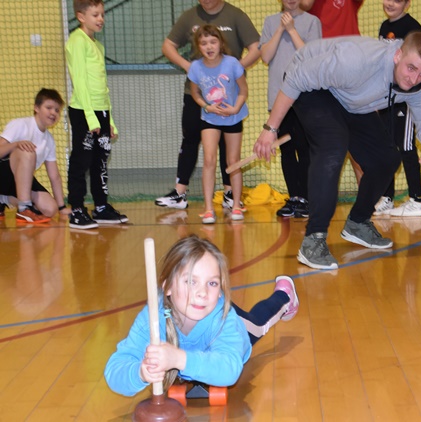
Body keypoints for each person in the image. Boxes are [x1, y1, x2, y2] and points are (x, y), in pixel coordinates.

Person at [253, 32, 421, 270]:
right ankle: (313, 240)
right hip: (311, 85)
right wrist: (270, 129)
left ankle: (358, 222)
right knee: (333, 146)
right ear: (397, 56)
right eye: (411, 68)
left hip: (349, 99)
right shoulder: (358, 60)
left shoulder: (417, 84)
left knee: (386, 158)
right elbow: (297, 77)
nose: (414, 78)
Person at [104, 235, 299, 396]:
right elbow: (115, 370)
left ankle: (284, 296)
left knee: (258, 324)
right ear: (167, 286)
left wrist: (179, 359)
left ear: (220, 289)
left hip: (218, 313)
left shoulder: (223, 319)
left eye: (212, 283)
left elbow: (229, 370)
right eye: (191, 281)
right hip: (199, 315)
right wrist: (140, 372)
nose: (202, 292)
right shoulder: (152, 319)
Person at [155, 0, 260, 211]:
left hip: (227, 97)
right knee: (190, 138)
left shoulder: (236, 15)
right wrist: (188, 66)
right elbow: (167, 46)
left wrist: (234, 69)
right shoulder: (188, 16)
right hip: (196, 95)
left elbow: (257, 48)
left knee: (227, 146)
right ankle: (179, 192)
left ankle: (229, 194)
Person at [66, 0, 128, 229]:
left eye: (102, 14)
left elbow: (103, 87)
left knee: (100, 161)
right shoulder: (77, 41)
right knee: (81, 161)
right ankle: (77, 210)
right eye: (95, 15)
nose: (101, 18)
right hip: (84, 111)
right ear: (81, 16)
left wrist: (109, 120)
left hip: (100, 112)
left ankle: (101, 207)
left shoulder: (98, 46)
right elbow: (80, 82)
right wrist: (91, 117)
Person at [260, 0, 322, 218]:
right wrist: (280, 28)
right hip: (279, 99)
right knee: (286, 149)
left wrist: (292, 30)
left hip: (304, 98)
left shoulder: (312, 22)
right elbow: (265, 56)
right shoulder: (270, 22)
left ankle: (306, 198)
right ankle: (294, 197)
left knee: (304, 148)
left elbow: (312, 56)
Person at [374, 0, 421, 218]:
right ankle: (387, 197)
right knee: (386, 147)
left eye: (397, 0)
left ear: (407, 4)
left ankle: (417, 200)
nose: (390, 3)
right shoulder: (384, 27)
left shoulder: (412, 28)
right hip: (386, 98)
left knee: (406, 147)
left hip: (405, 99)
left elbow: (417, 68)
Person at [300, 0, 365, 185]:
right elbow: (304, 4)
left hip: (351, 69)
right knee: (329, 143)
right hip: (324, 70)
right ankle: (325, 196)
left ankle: (368, 196)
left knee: (358, 139)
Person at [188, 25, 248, 224]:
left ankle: (236, 205)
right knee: (209, 160)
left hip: (232, 117)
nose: (209, 47)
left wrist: (235, 108)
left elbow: (243, 90)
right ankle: (208, 209)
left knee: (233, 161)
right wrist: (206, 106)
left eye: (213, 42)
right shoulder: (196, 67)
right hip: (210, 118)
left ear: (221, 43)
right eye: (204, 43)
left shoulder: (232, 63)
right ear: (198, 46)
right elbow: (195, 92)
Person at [0, 89, 69, 224]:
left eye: (57, 110)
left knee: (50, 209)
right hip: (3, 174)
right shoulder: (20, 124)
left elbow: (54, 176)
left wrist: (61, 207)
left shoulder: (49, 140)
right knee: (28, 151)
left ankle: (3, 199)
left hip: (19, 181)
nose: (53, 113)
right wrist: (16, 145)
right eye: (49, 107)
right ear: (36, 108)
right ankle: (24, 208)